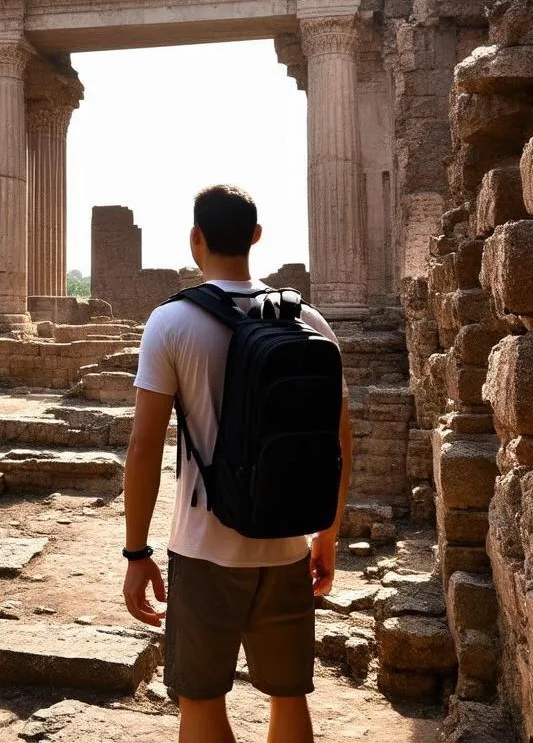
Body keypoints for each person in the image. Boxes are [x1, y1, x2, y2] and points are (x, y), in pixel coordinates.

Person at [121, 184, 352, 743]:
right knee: (291, 700)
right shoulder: (311, 323)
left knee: (201, 704)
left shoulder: (171, 324)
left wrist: (136, 552)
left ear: (196, 239)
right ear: (255, 237)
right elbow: (340, 443)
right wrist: (327, 536)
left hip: (203, 546)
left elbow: (145, 446)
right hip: (285, 543)